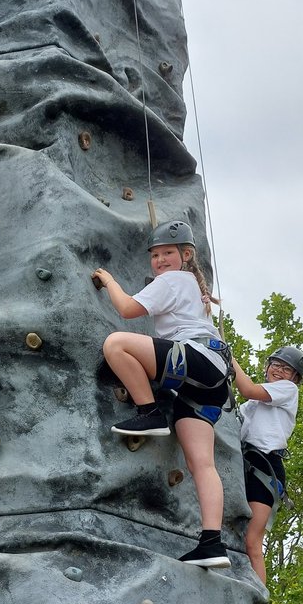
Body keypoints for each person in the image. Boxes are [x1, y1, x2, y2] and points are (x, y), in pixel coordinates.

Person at [93, 219, 232, 568]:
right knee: (202, 464)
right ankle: (212, 543)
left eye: (167, 253)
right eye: (154, 255)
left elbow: (127, 310)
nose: (159, 261)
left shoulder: (172, 280)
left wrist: (108, 280)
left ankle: (150, 411)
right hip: (212, 379)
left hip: (197, 359)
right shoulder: (190, 286)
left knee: (116, 344)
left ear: (186, 255)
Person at [232, 346, 303, 583]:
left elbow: (247, 389)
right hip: (244, 462)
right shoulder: (252, 407)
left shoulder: (288, 390)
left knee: (252, 541)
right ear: (267, 367)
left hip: (266, 467)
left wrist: (228, 357)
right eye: (276, 365)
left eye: (287, 369)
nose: (279, 371)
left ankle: (257, 603)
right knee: (236, 534)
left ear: (295, 379)